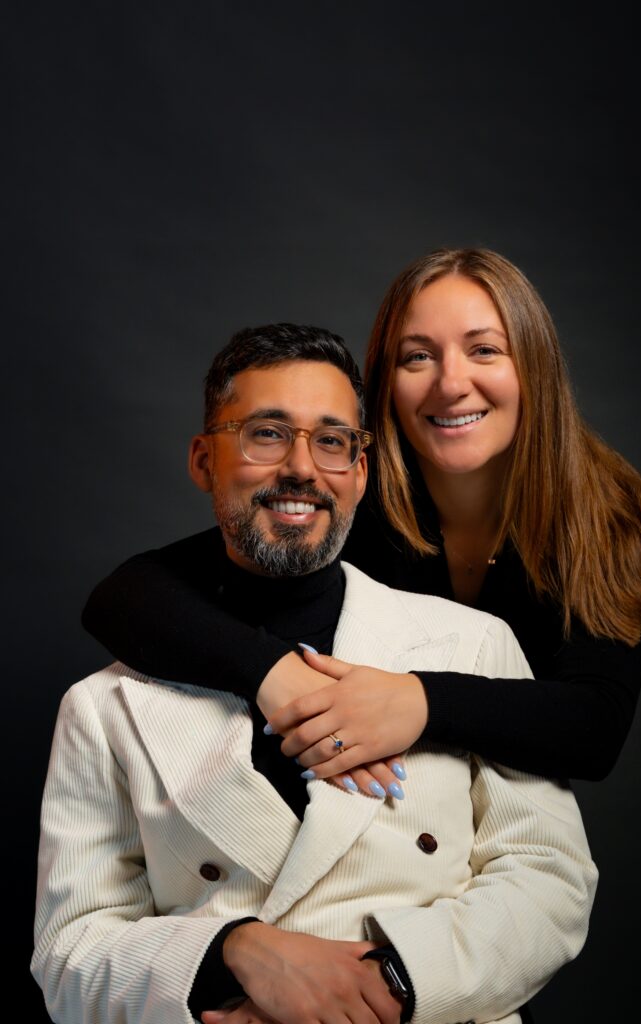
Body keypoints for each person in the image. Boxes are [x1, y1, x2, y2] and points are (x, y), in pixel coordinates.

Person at [33, 324, 597, 1024]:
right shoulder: (104, 706)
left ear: (359, 471)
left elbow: (549, 881)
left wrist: (385, 984)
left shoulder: (471, 646)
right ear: (205, 460)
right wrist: (231, 952)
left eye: (331, 440)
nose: (301, 467)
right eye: (266, 434)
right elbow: (70, 955)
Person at [81, 249, 641, 795]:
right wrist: (273, 672)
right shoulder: (352, 489)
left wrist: (420, 701)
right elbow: (125, 596)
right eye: (418, 356)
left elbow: (595, 730)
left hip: (509, 811)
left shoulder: (606, 514)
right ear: (387, 381)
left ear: (533, 368)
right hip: (382, 804)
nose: (451, 383)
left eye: (484, 349)